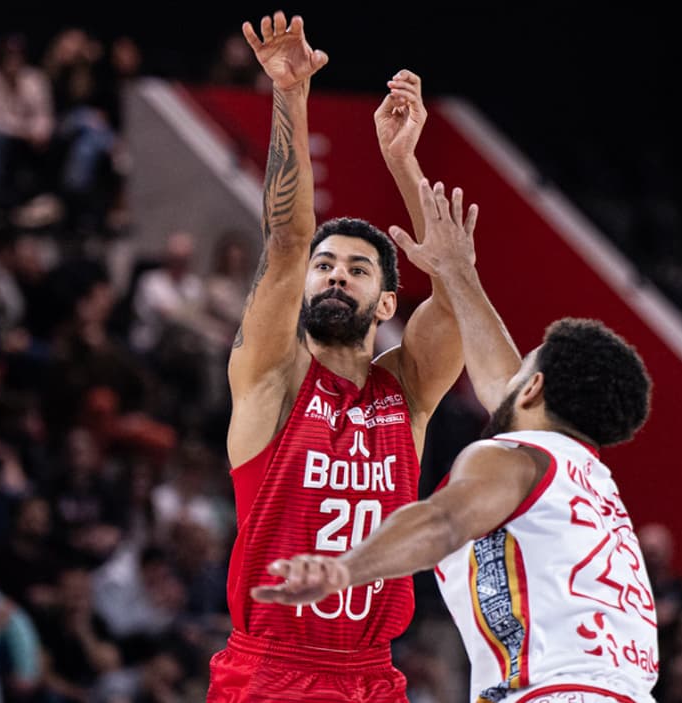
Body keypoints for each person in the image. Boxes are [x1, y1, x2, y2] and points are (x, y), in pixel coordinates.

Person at [253, 179, 657, 702]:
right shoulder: (587, 483)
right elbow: (503, 384)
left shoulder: (512, 460)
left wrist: (343, 570)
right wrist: (459, 273)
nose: (506, 375)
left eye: (522, 369)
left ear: (533, 388)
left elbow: (443, 522)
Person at [208, 11, 474, 702]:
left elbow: (456, 298)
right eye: (326, 266)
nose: (334, 276)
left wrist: (403, 162)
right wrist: (289, 93)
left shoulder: (404, 392)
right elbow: (287, 242)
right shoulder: (272, 377)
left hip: (372, 673)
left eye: (357, 270)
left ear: (386, 304)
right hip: (271, 668)